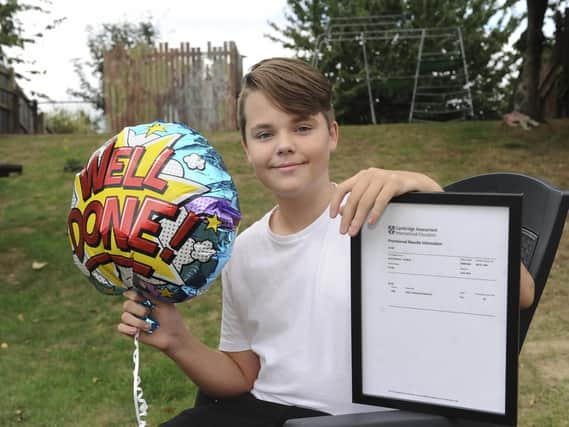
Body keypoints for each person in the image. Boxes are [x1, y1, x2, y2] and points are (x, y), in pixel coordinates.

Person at [118, 57, 535, 426]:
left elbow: (522, 292)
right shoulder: (242, 251)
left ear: (332, 134)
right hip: (263, 411)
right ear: (246, 147)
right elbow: (243, 377)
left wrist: (429, 193)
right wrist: (178, 341)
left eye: (302, 127)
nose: (284, 145)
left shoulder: (386, 216)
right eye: (265, 134)